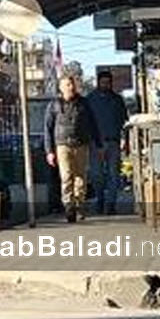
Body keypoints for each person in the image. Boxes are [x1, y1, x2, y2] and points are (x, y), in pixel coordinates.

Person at [43, 74, 101, 223]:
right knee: (66, 177)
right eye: (67, 85)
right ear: (61, 87)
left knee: (80, 177)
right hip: (62, 145)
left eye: (72, 84)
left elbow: (93, 124)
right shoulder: (54, 105)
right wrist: (49, 151)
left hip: (81, 144)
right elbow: (48, 129)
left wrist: (98, 145)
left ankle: (80, 205)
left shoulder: (83, 103)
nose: (71, 87)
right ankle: (69, 207)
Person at [85, 71, 129, 215]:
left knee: (113, 174)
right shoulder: (90, 99)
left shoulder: (117, 100)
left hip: (113, 141)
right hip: (95, 142)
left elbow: (124, 121)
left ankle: (111, 203)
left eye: (108, 82)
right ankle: (100, 200)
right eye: (103, 82)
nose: (106, 85)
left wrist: (125, 140)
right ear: (98, 83)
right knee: (97, 175)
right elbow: (87, 122)